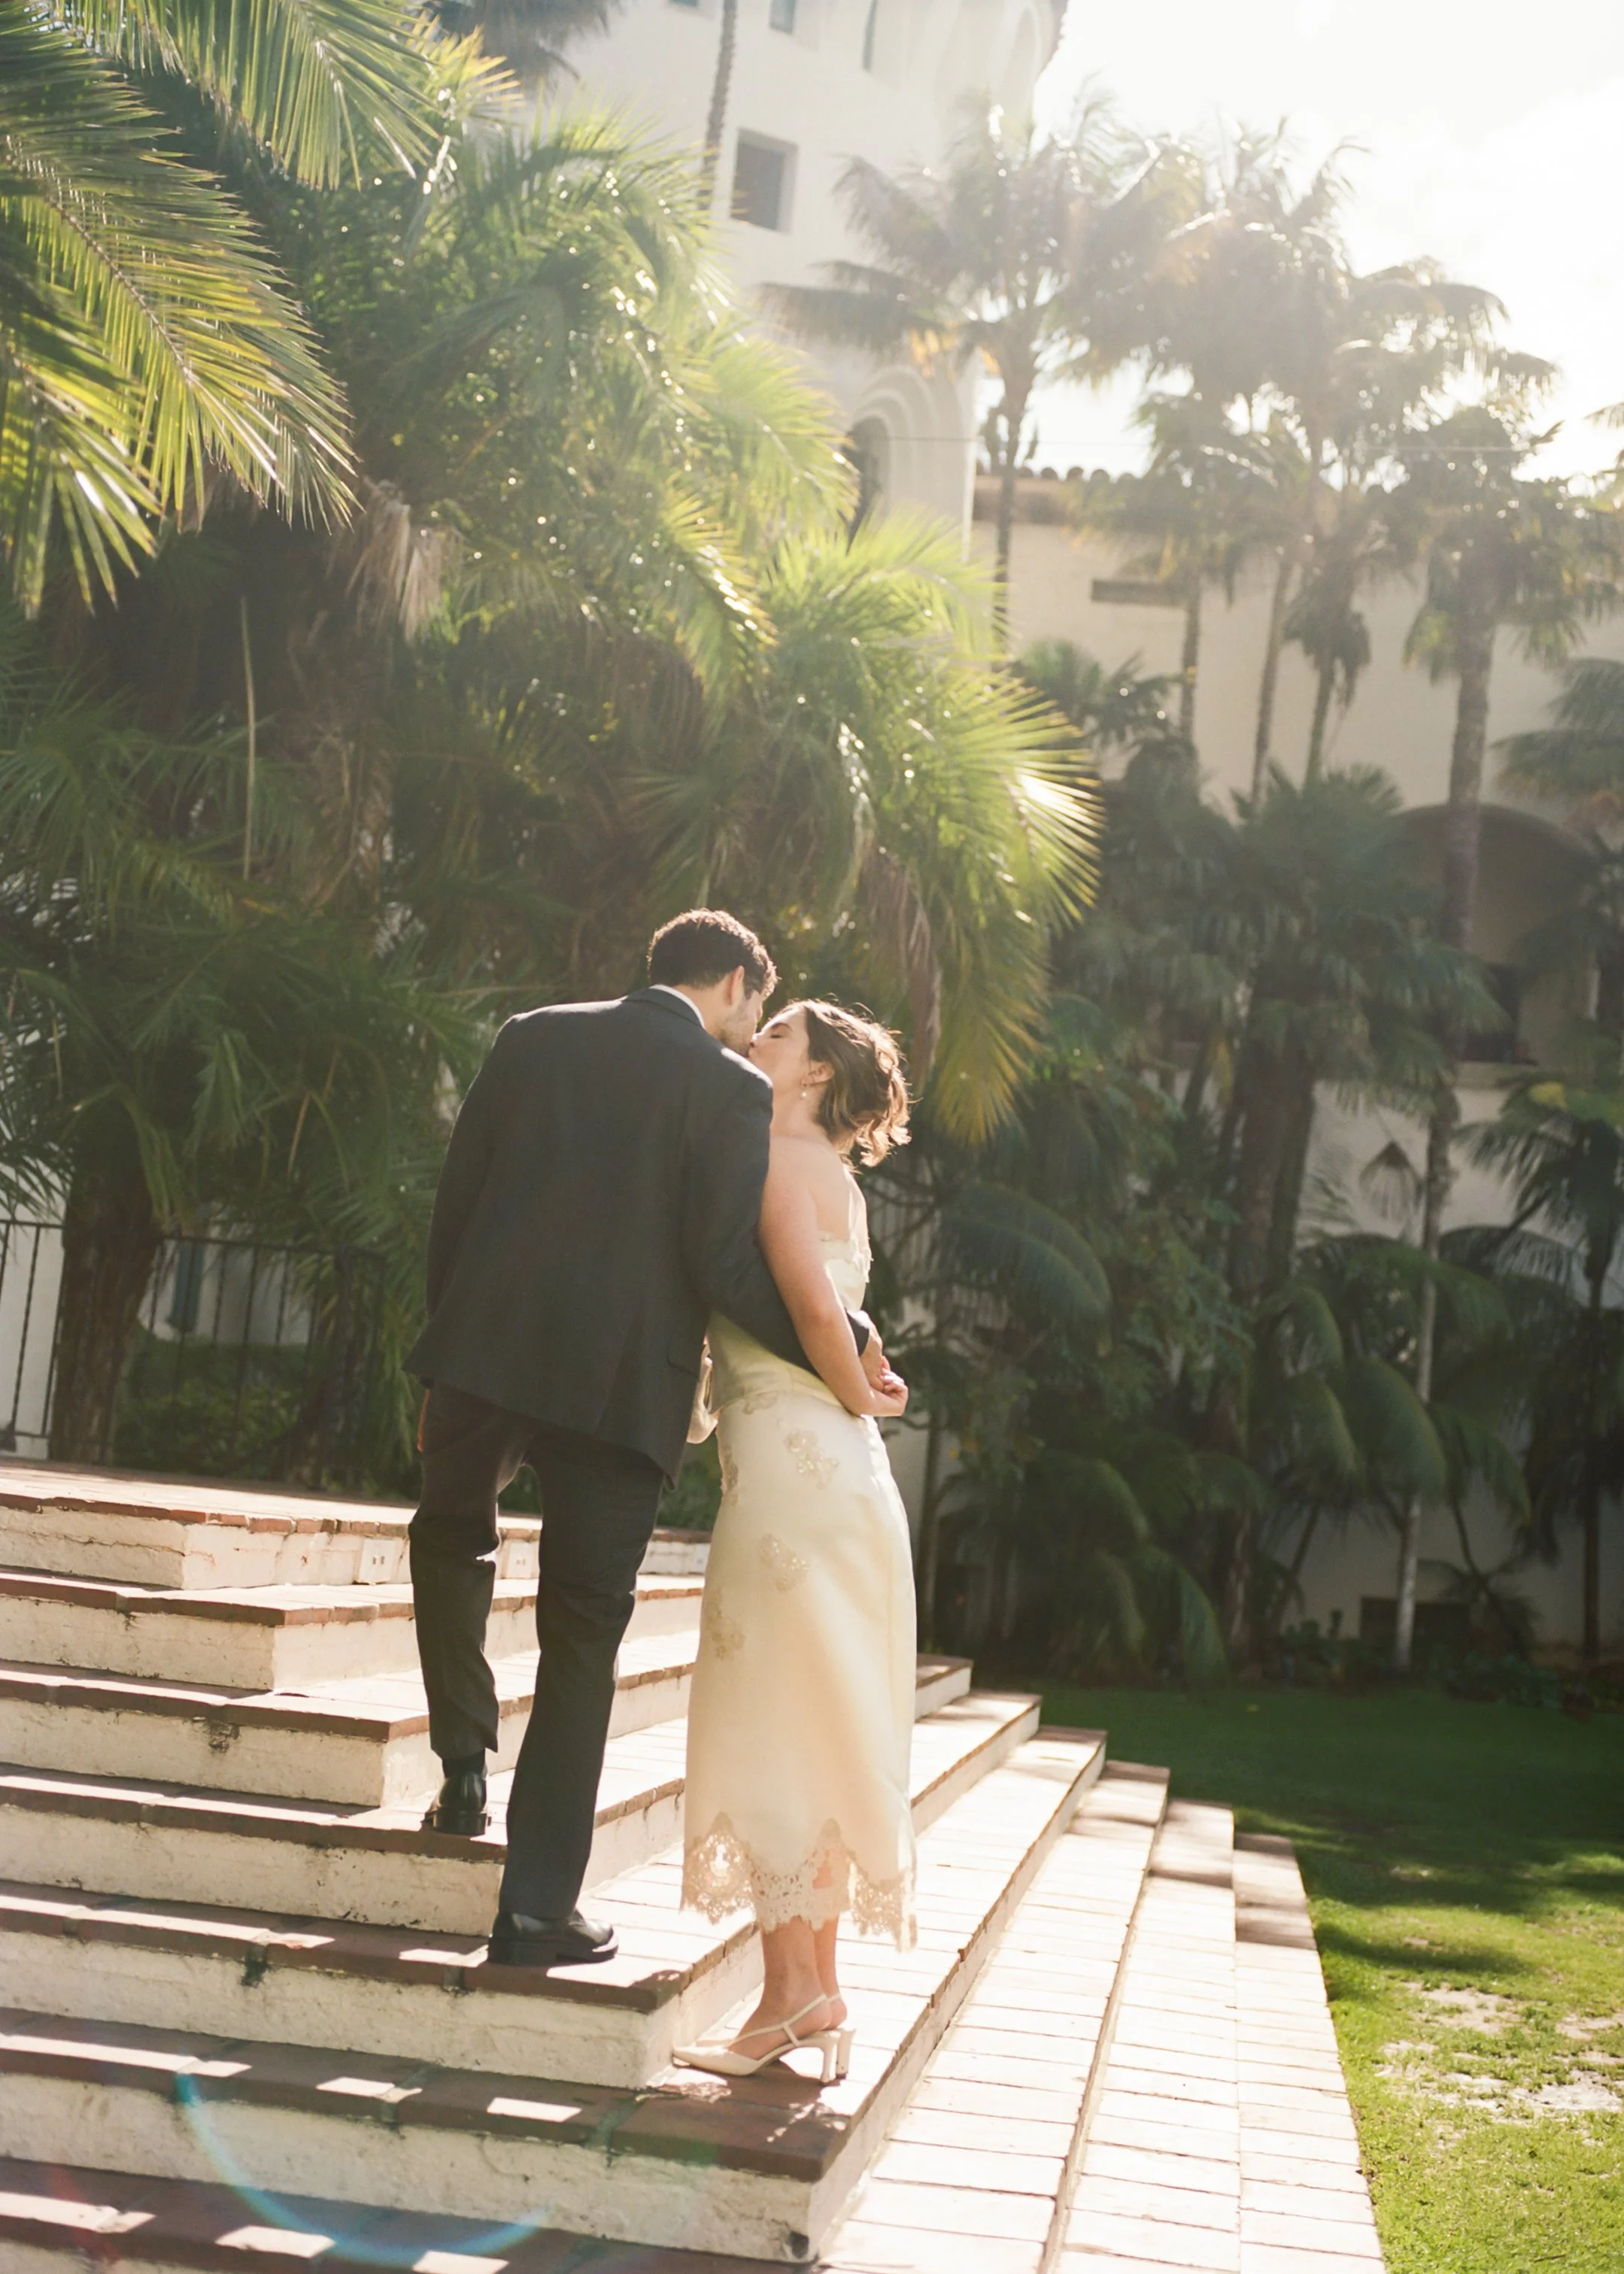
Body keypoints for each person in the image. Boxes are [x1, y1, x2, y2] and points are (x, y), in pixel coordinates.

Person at [405, 912, 903, 1969]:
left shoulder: (529, 1034)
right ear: (732, 983)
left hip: (484, 1356)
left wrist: (444, 1348)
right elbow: (726, 1264)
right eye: (755, 1014)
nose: (750, 1032)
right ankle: (537, 1909)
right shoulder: (724, 1089)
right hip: (620, 1392)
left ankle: (460, 1760)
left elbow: (458, 1203)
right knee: (581, 1640)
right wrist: (848, 1340)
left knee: (451, 1533)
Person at [674, 1000, 916, 2083]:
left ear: (815, 1074)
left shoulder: (775, 1157)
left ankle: (785, 1997)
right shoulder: (833, 1172)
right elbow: (844, 1323)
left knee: (772, 1708)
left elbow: (817, 1314)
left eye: (777, 1032)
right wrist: (867, 1386)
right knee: (816, 1711)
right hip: (841, 1476)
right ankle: (810, 1983)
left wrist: (853, 1387)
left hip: (793, 1467)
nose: (756, 1038)